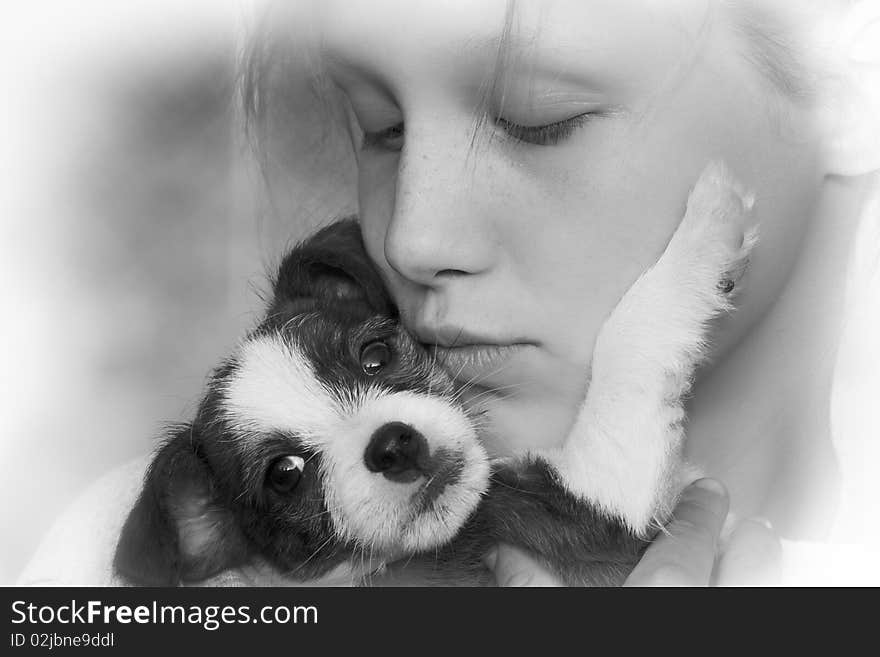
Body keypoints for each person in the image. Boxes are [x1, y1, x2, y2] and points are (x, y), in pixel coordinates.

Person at [19, 0, 880, 586]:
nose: (410, 239)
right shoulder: (102, 572)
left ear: (849, 72)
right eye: (380, 129)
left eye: (537, 117)